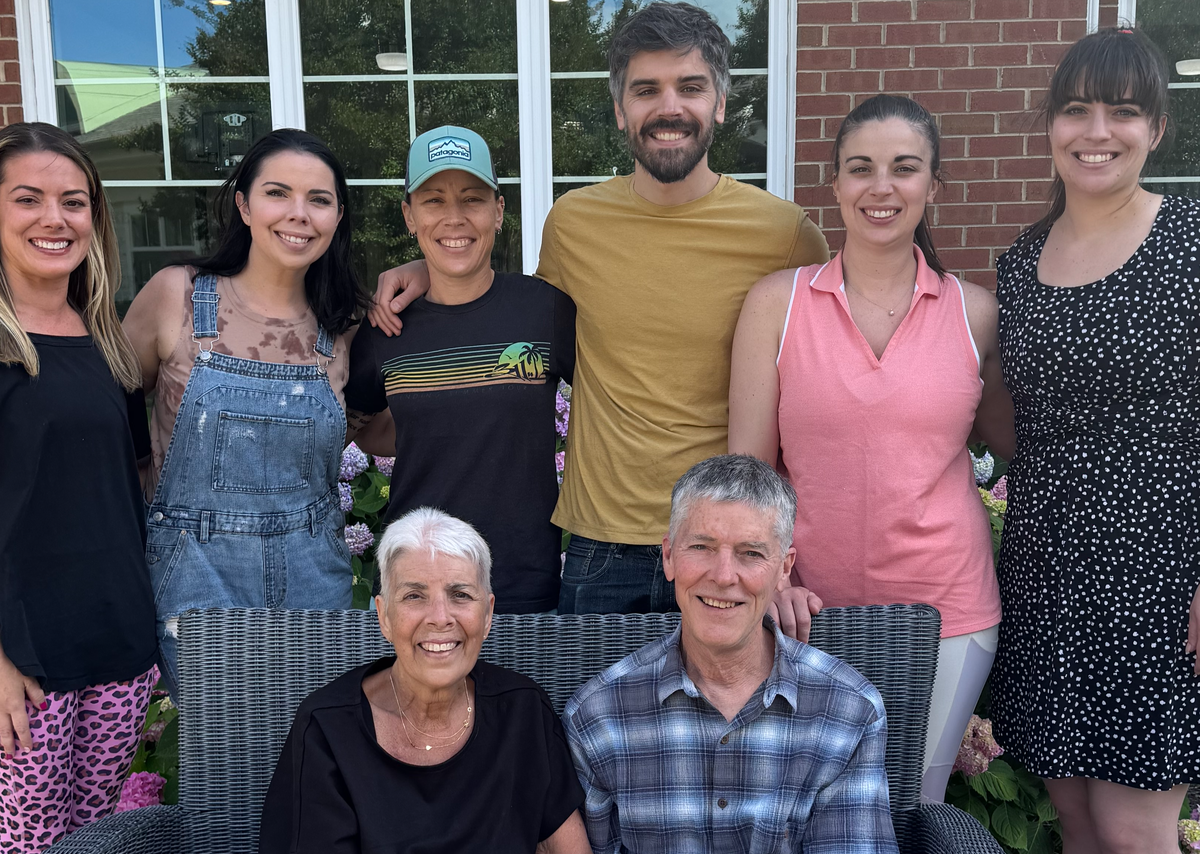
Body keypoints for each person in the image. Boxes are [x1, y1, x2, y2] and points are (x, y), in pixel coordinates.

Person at [370, 2, 829, 626]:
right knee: (587, 697)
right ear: (620, 109)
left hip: (723, 547)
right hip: (602, 551)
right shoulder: (574, 224)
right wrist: (435, 268)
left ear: (721, 102)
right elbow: (513, 316)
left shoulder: (784, 234)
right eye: (646, 90)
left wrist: (781, 553)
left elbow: (819, 397)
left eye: (690, 87)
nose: (669, 107)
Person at [728, 94, 1013, 804]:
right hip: (805, 610)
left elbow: (1019, 438)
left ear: (933, 186)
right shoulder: (777, 304)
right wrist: (769, 581)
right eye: (861, 168)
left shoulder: (976, 313)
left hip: (946, 611)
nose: (881, 187)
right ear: (834, 184)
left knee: (914, 805)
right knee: (802, 805)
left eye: (904, 168)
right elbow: (748, 475)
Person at [988, 28, 1200, 854]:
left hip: (1159, 574)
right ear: (1050, 124)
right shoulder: (1018, 267)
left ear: (1157, 129)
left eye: (1123, 111)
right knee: (1075, 820)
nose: (1097, 131)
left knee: (1134, 834)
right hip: (1048, 568)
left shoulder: (1189, 243)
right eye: (1077, 109)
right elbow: (1006, 421)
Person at [562, 455, 905, 854]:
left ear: (784, 569)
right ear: (669, 557)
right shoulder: (599, 713)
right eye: (701, 547)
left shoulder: (847, 708)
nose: (724, 576)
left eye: (751, 553)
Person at [258, 508, 616, 854]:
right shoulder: (328, 730)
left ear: (488, 613)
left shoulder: (522, 711)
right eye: (414, 596)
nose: (440, 618)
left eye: (460, 595)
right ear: (384, 616)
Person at [122, 129, 369, 697]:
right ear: (244, 204)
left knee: (319, 741)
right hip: (195, 577)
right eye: (277, 193)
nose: (298, 214)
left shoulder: (344, 326)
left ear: (337, 218)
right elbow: (106, 413)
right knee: (224, 741)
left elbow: (372, 425)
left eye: (319, 200)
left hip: (316, 577)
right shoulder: (178, 297)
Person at [0, 123, 158, 854]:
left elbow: (125, 485)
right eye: (27, 199)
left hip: (115, 646)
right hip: (23, 656)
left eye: (73, 201)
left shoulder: (106, 342)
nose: (54, 219)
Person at [344, 126, 574, 613]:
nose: (454, 217)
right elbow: (358, 429)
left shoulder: (544, 309)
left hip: (521, 577)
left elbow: (605, 401)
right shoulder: (387, 326)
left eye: (472, 199)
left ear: (499, 210)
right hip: (416, 583)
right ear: (409, 216)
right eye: (433, 201)